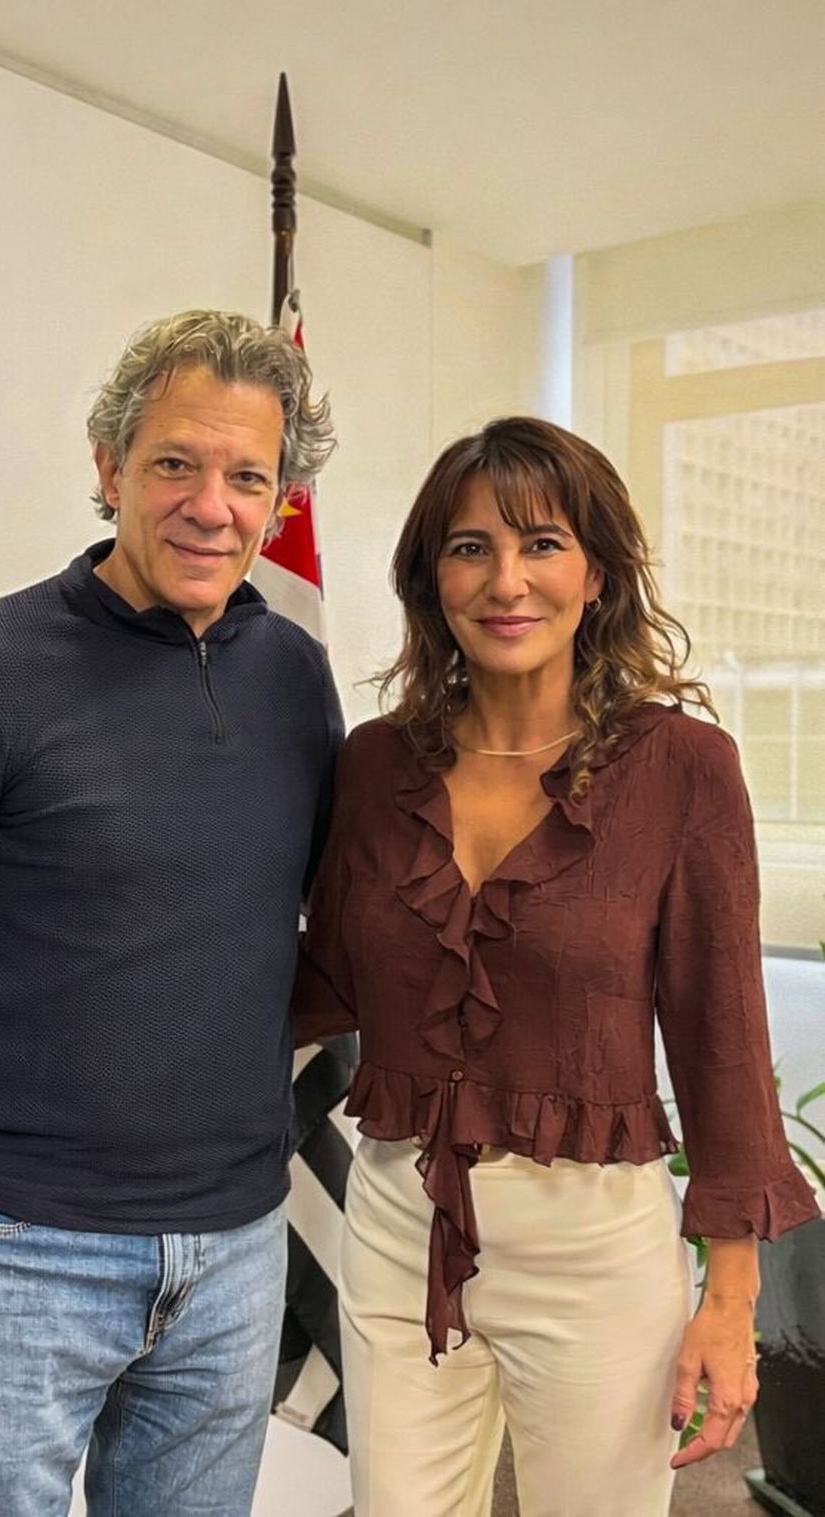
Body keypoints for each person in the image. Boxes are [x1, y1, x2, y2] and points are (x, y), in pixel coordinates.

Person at [0, 309, 343, 1516]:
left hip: (234, 1254)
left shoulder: (293, 678)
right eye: (175, 463)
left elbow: (294, 935)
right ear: (108, 469)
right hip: (6, 1257)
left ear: (279, 502)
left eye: (247, 476)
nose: (212, 505)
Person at [293, 417, 819, 1517]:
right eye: (470, 546)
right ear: (431, 578)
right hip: (401, 1223)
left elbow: (722, 1033)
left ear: (596, 573)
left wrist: (731, 1296)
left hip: (594, 1245)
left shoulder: (681, 766)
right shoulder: (375, 761)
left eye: (541, 542)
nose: (506, 578)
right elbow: (330, 975)